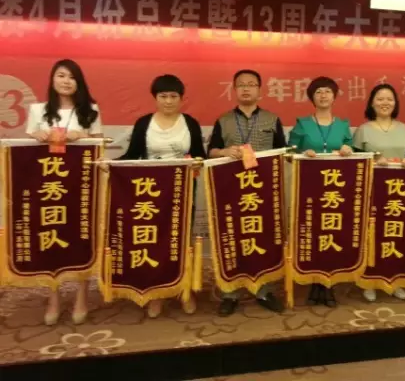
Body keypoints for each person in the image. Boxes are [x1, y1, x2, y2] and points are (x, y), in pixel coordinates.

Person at [119, 74, 206, 318]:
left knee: (182, 240)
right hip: (150, 192)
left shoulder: (190, 123)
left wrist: (197, 162)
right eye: (163, 96)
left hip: (182, 189)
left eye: (173, 96)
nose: (168, 101)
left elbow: (200, 154)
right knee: (155, 241)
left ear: (181, 98)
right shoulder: (144, 123)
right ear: (155, 98)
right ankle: (156, 293)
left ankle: (184, 290)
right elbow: (132, 155)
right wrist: (109, 164)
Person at [25, 58, 103, 326]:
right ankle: (54, 297)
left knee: (81, 236)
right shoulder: (38, 110)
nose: (66, 81)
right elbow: (26, 149)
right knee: (51, 237)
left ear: (78, 82)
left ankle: (81, 296)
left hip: (80, 185)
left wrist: (81, 136)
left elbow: (99, 144)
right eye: (61, 75)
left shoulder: (90, 111)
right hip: (48, 187)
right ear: (52, 79)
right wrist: (35, 135)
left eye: (72, 77)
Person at [207, 69, 287, 316]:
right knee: (232, 236)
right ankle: (230, 293)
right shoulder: (223, 120)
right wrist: (224, 152)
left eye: (251, 84)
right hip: (232, 190)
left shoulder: (272, 119)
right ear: (234, 90)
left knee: (263, 237)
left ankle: (264, 290)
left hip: (263, 191)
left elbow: (282, 153)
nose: (246, 88)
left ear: (259, 90)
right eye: (241, 84)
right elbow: (210, 151)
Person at [288, 76, 353, 307]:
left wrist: (348, 149)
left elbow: (353, 152)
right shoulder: (302, 124)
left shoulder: (343, 125)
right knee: (312, 232)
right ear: (312, 98)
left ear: (334, 96)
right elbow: (289, 153)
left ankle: (328, 283)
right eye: (318, 92)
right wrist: (302, 154)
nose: (323, 95)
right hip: (309, 188)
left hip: (336, 190)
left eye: (327, 91)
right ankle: (314, 281)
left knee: (333, 232)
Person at [353, 83, 405, 302]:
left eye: (389, 99)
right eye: (380, 99)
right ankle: (369, 281)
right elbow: (355, 159)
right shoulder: (363, 129)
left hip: (399, 192)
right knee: (372, 234)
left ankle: (395, 280)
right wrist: (373, 158)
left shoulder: (404, 128)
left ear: (395, 103)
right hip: (373, 191)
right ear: (372, 103)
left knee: (396, 234)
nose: (385, 103)